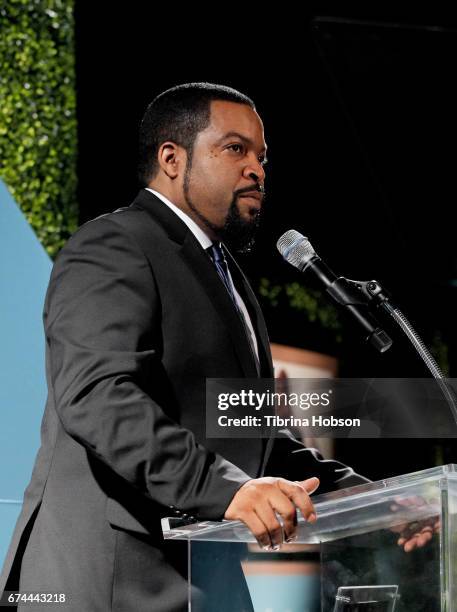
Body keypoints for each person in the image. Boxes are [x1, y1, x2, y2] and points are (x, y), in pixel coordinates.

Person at [0, 83, 369, 611]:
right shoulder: (115, 245)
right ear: (172, 159)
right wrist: (229, 491)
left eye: (262, 156)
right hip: (108, 581)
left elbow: (247, 426)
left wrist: (359, 494)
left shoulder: (227, 277)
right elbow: (100, 397)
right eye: (235, 149)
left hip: (199, 577)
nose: (257, 170)